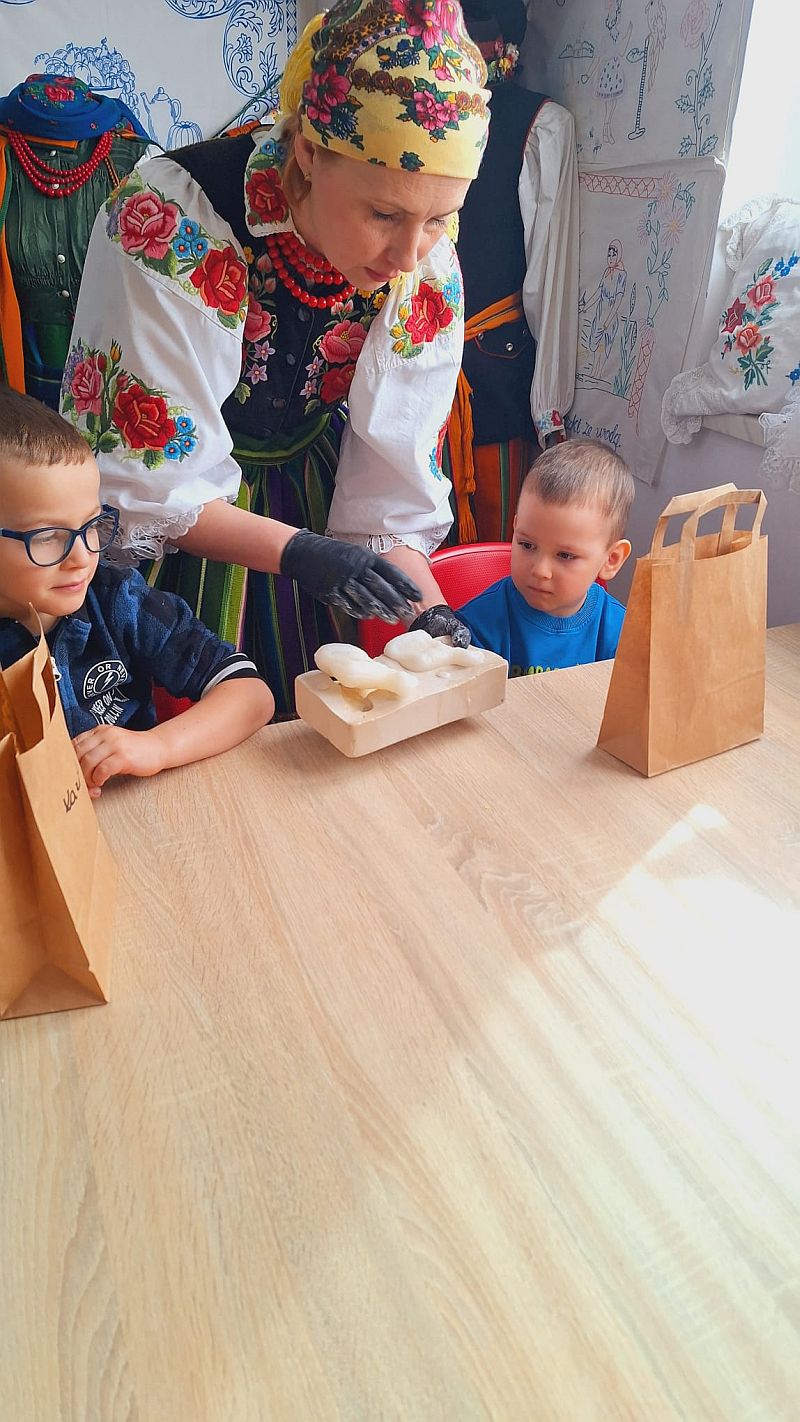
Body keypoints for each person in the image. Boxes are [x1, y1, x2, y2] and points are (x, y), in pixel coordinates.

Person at [60, 0, 491, 714]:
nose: (409, 254)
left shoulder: (425, 263)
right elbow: (151, 484)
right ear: (309, 154)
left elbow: (390, 494)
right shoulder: (176, 218)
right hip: (177, 539)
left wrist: (429, 614)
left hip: (314, 497)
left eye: (439, 218)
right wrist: (301, 554)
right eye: (384, 214)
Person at [0, 387, 274, 796]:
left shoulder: (117, 600)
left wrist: (157, 747)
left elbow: (250, 694)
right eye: (48, 536)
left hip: (143, 816)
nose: (82, 557)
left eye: (92, 525)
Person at [445, 0, 579, 543]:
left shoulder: (538, 126)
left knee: (495, 548)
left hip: (492, 379)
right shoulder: (403, 108)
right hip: (404, 376)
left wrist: (549, 409)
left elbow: (549, 276)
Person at [457, 438, 633, 676]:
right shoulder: (478, 626)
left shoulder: (623, 632)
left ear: (611, 560)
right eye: (527, 545)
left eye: (565, 555)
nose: (540, 570)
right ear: (515, 529)